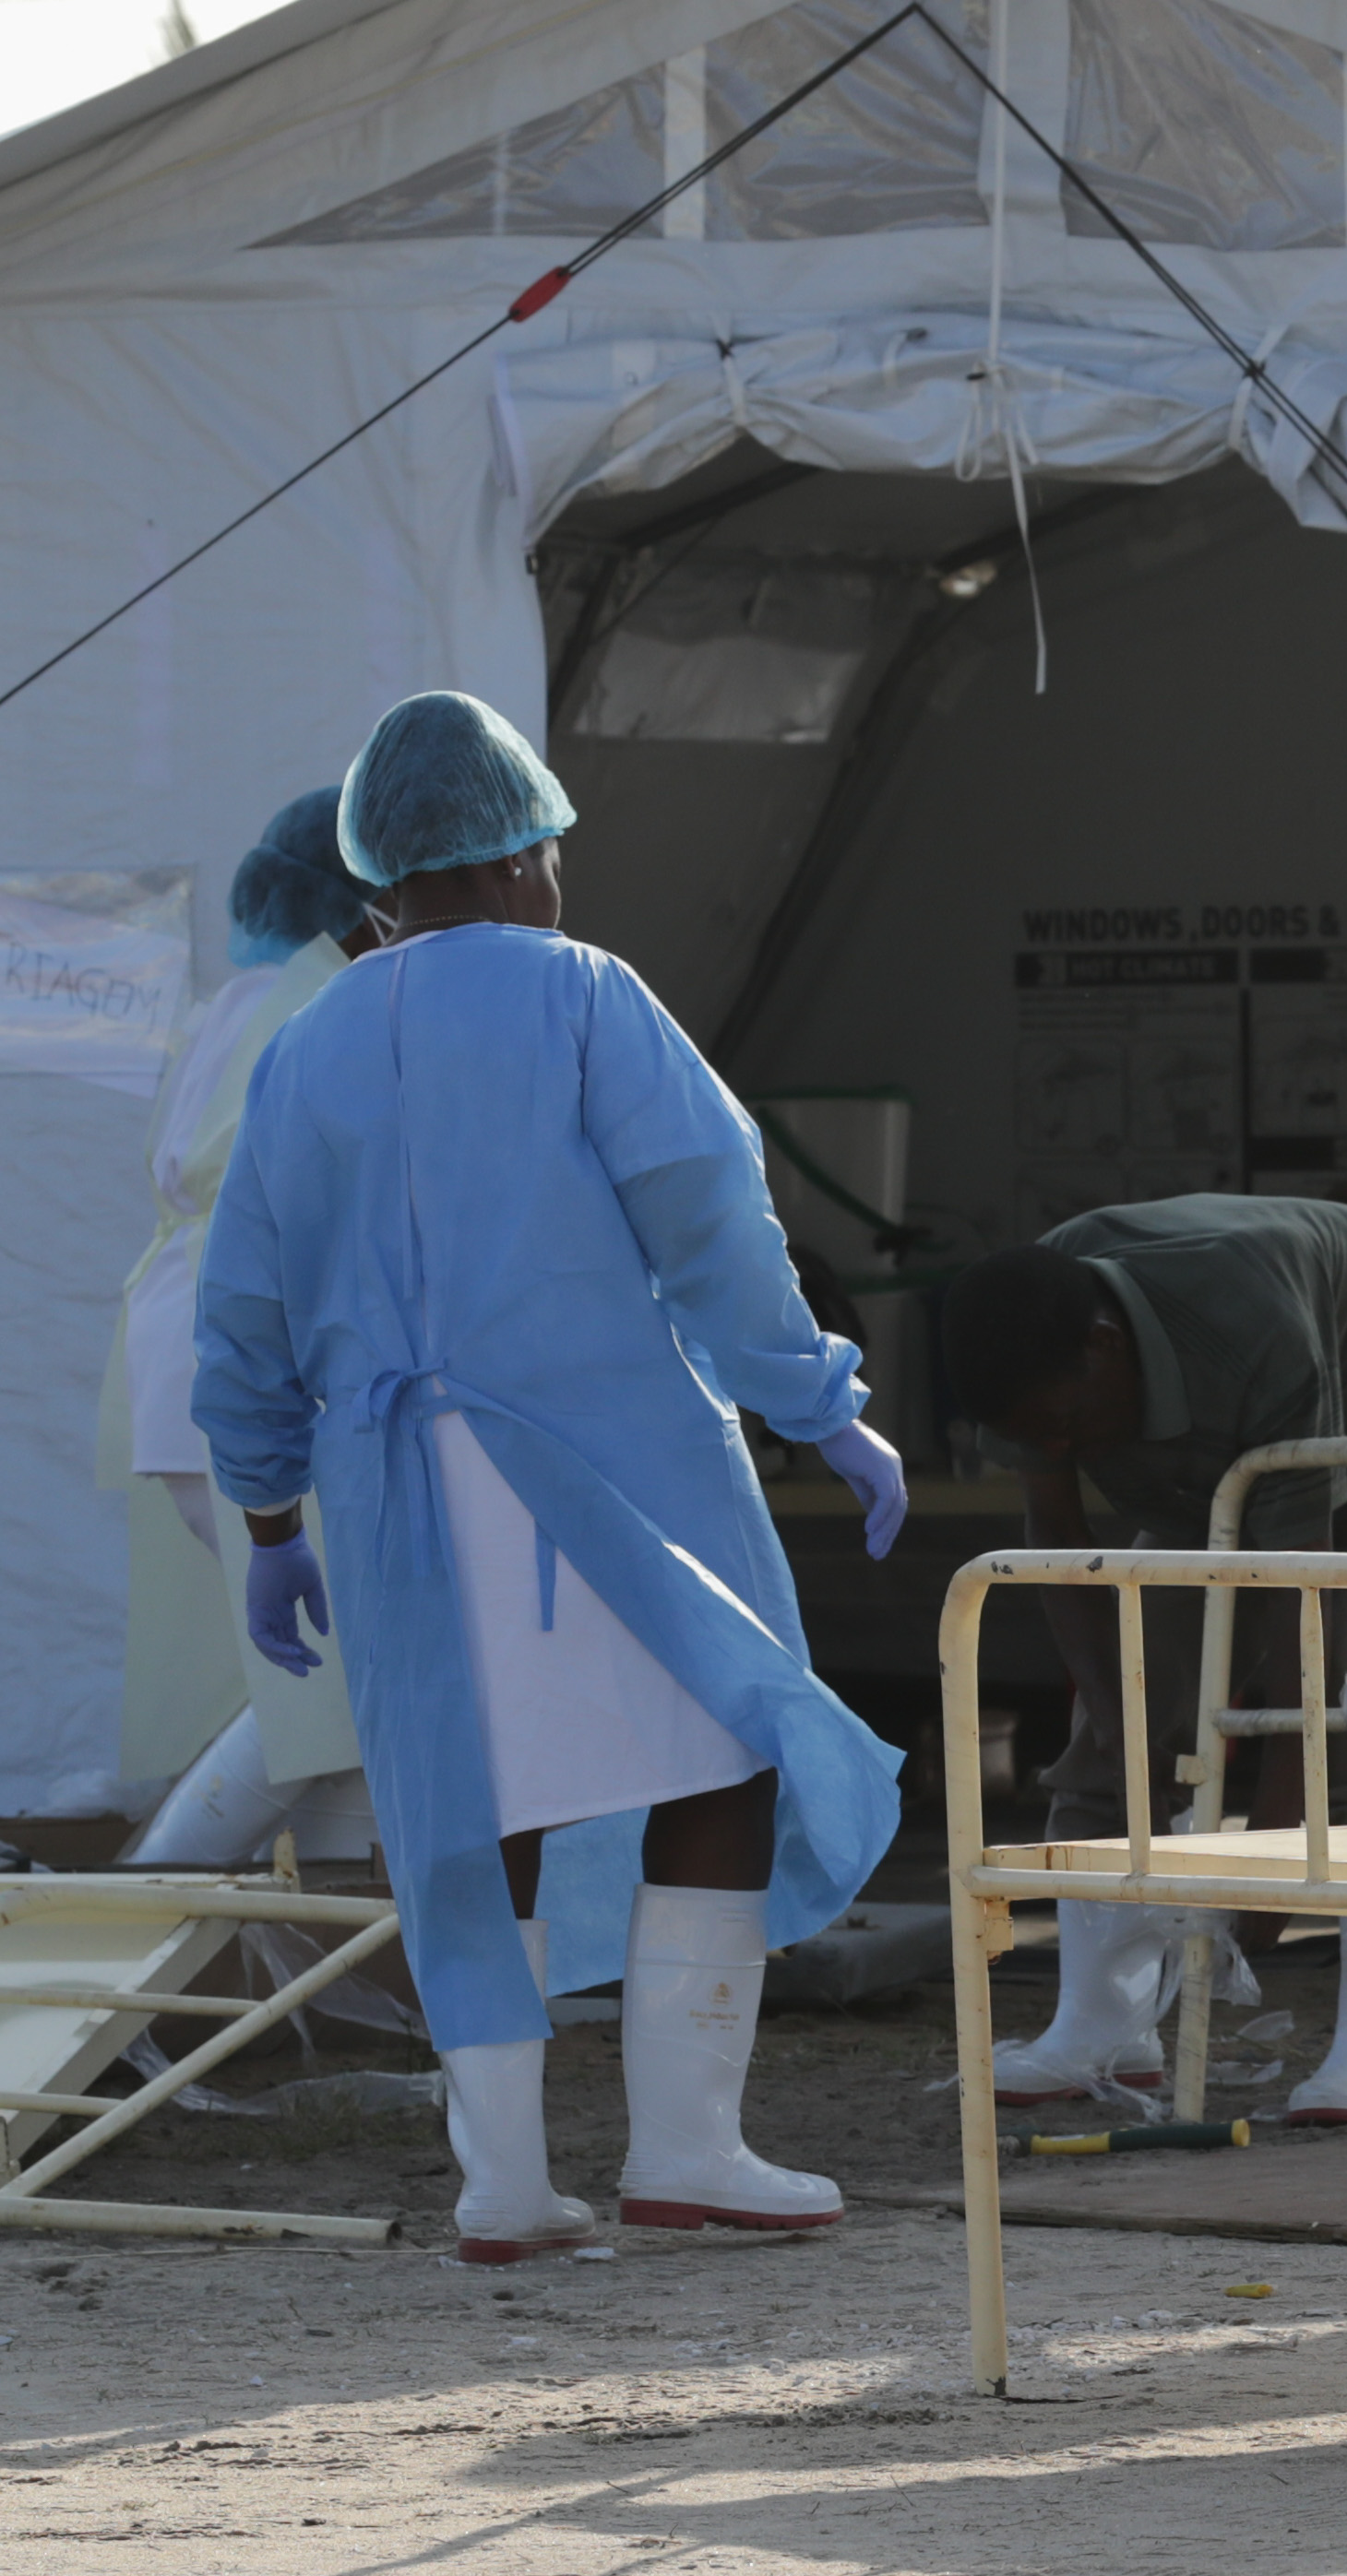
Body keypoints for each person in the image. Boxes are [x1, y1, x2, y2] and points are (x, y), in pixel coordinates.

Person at [193, 691, 910, 2265]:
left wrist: (265, 1516)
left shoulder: (308, 1048)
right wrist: (819, 1402)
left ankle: (503, 2184)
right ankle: (688, 2149)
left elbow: (240, 1308)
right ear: (521, 854)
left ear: (384, 877)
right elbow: (711, 1222)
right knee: (720, 1766)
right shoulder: (588, 997)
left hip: (394, 1497)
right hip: (611, 1475)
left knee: (470, 1810)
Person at [945, 1194, 1347, 2125]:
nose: (1056, 1448)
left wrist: (1268, 1873)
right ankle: (1101, 2027)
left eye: (1065, 1424)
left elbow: (1305, 1631)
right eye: (1035, 1437)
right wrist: (1122, 1726)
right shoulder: (1032, 1344)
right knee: (1123, 1702)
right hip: (1223, 1464)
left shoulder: (1249, 1317)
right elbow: (1058, 1538)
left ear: (1106, 1344)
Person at [103, 788, 386, 1867]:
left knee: (337, 1689)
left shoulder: (249, 995)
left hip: (190, 1356)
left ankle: (337, 1981)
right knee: (329, 1675)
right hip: (238, 1361)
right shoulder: (317, 1006)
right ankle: (149, 1907)